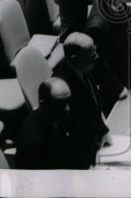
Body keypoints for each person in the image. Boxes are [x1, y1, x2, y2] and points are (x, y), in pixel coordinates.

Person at [50, 34, 113, 167]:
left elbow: (93, 102)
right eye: (91, 54)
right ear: (74, 58)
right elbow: (65, 135)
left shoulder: (84, 66)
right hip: (82, 155)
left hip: (95, 142)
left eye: (95, 50)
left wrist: (103, 130)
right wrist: (86, 165)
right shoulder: (62, 87)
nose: (97, 57)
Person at [85, 0, 131, 92]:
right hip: (118, 84)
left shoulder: (115, 1)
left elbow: (128, 33)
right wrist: (120, 89)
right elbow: (101, 65)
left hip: (129, 68)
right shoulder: (97, 27)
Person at [16, 78, 85, 169]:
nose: (67, 108)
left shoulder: (55, 118)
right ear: (43, 104)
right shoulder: (35, 143)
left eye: (69, 100)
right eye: (60, 103)